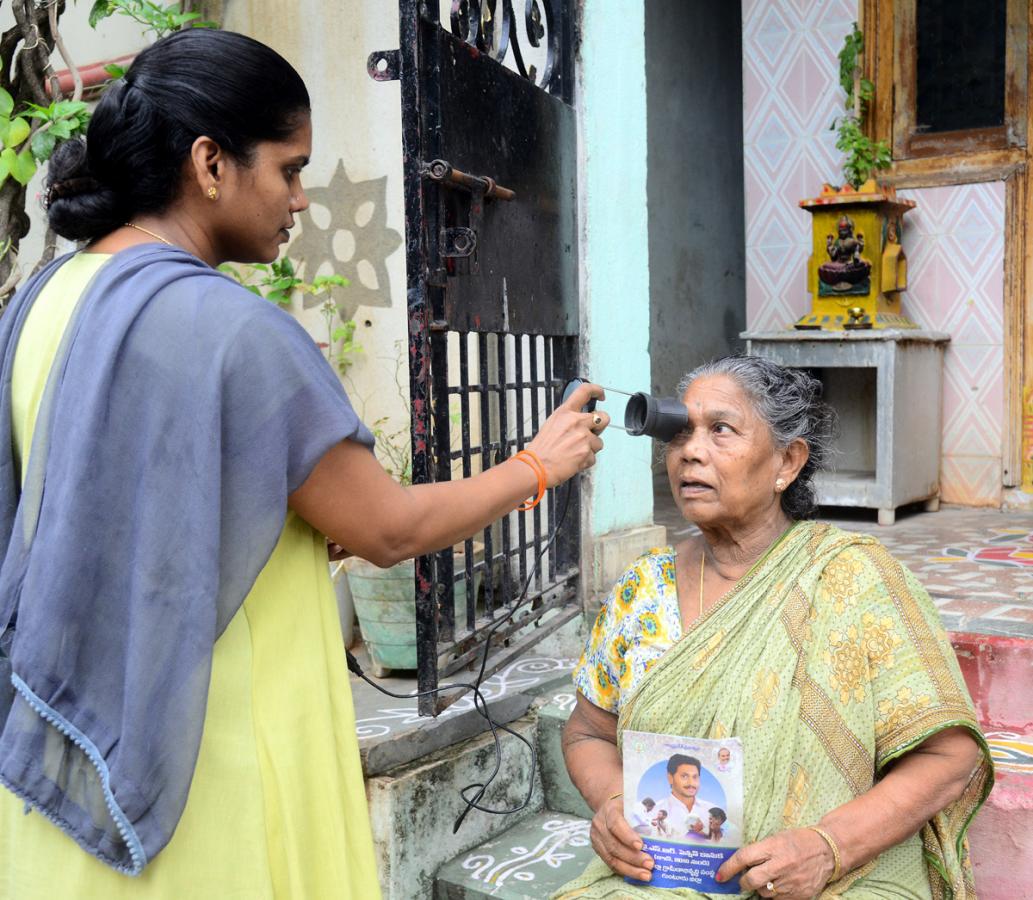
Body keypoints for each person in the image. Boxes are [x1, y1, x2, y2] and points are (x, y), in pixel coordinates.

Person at [0, 29, 608, 899]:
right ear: (211, 164)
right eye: (289, 170)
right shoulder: (234, 331)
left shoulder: (41, 301)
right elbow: (387, 529)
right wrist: (537, 466)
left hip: (77, 739)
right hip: (208, 746)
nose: (300, 200)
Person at [557, 356, 992, 899]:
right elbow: (586, 732)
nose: (691, 451)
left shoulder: (854, 577)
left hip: (836, 877)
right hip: (666, 876)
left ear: (787, 460)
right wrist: (611, 803)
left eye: (721, 430)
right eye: (680, 434)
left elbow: (951, 756)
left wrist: (826, 846)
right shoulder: (642, 589)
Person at [650, 754, 716, 839]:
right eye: (684, 776)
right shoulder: (654, 811)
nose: (691, 783)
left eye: (695, 777)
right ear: (670, 778)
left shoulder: (713, 811)